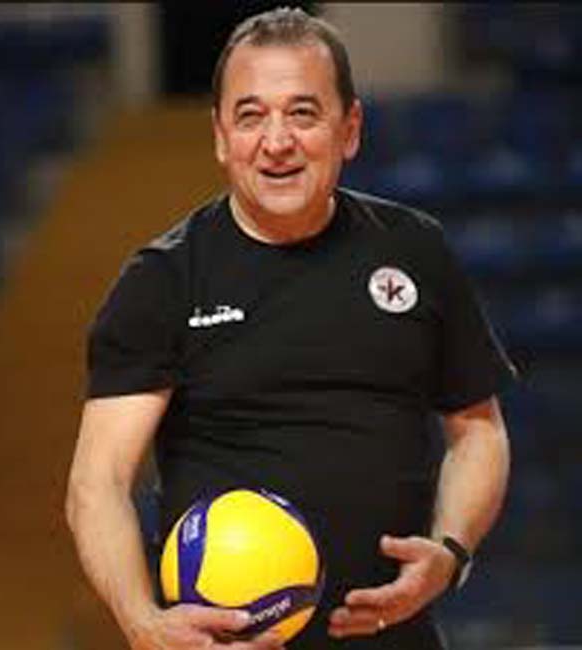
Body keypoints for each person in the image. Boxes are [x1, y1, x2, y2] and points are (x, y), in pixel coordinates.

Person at [66, 7, 514, 649]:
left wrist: (450, 550)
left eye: (302, 113)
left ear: (349, 129)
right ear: (221, 136)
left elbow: (479, 433)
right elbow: (98, 483)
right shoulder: (162, 280)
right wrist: (143, 623)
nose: (276, 141)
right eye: (250, 116)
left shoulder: (416, 249)